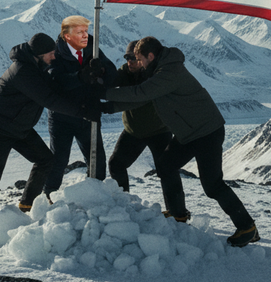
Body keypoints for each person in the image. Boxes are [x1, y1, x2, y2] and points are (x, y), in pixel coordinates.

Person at [100, 36, 260, 247]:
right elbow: (141, 96)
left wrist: (103, 94)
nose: (138, 64)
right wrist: (106, 104)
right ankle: (178, 214)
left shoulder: (169, 72)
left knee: (212, 185)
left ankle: (247, 227)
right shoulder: (158, 70)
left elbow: (142, 93)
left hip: (206, 133)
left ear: (150, 56)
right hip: (189, 134)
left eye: (140, 59)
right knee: (166, 165)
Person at [0, 33, 100, 245]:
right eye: (50, 53)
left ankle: (27, 205)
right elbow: (49, 98)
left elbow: (55, 85)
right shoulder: (23, 71)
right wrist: (83, 112)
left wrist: (80, 77)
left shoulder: (36, 66)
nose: (54, 57)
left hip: (18, 126)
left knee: (45, 160)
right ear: (39, 54)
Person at [43, 15, 117, 197]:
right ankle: (48, 197)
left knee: (97, 161)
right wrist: (82, 76)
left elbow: (112, 74)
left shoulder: (92, 47)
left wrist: (102, 72)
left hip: (88, 114)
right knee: (58, 161)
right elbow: (56, 80)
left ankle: (95, 196)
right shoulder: (56, 53)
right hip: (62, 117)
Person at [107, 40, 173, 193]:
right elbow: (111, 80)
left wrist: (108, 104)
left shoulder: (155, 75)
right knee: (116, 165)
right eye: (127, 58)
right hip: (133, 131)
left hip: (159, 131)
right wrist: (100, 74)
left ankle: (176, 208)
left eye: (133, 58)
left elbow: (139, 97)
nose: (129, 62)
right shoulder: (125, 72)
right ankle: (123, 201)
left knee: (167, 171)